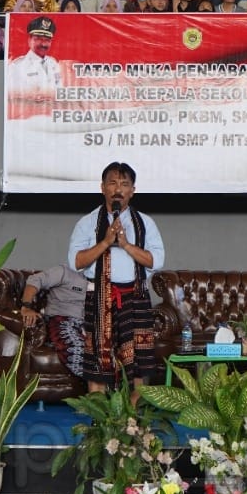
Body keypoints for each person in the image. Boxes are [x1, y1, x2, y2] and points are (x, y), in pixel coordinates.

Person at [67, 161, 165, 394]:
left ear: (133, 190)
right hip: (100, 298)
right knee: (97, 364)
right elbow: (76, 262)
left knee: (139, 365)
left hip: (135, 297)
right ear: (103, 188)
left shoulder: (145, 223)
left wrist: (125, 244)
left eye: (124, 184)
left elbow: (156, 261)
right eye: (112, 183)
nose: (118, 189)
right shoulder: (87, 222)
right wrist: (105, 243)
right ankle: (99, 425)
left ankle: (134, 425)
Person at [19, 264, 89, 379]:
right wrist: (26, 307)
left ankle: (113, 391)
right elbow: (35, 280)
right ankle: (101, 391)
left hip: (89, 324)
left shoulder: (103, 278)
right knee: (77, 348)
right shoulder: (64, 271)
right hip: (61, 320)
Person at [7, 15, 60, 91]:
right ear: (29, 40)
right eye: (38, 39)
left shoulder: (54, 63)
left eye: (47, 40)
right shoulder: (17, 66)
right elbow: (13, 97)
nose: (43, 44)